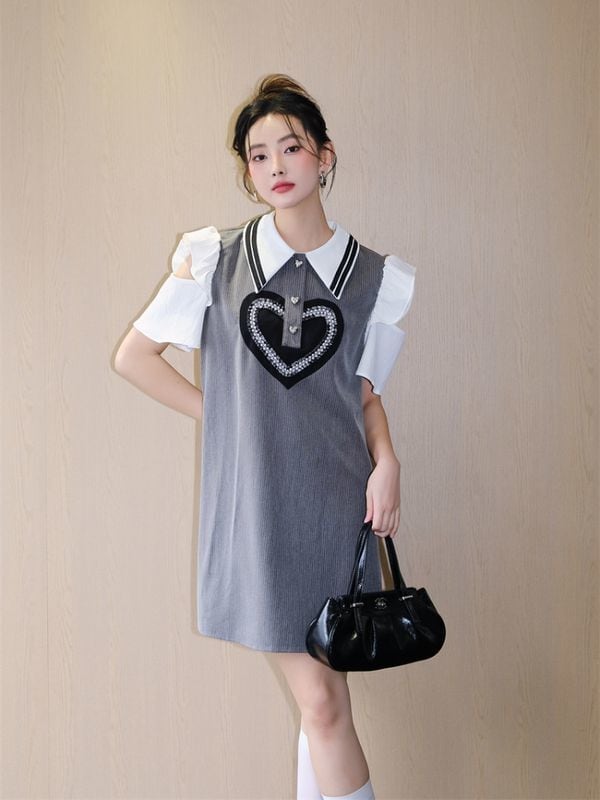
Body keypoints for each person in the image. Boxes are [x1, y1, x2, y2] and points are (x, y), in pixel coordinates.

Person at [114, 74, 415, 800]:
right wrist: (226, 420)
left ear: (324, 156)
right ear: (247, 172)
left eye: (291, 147)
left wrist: (387, 462)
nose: (276, 165)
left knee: (325, 701)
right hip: (258, 511)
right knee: (323, 704)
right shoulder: (214, 259)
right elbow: (134, 358)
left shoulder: (374, 278)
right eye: (258, 155)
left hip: (339, 504)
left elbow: (363, 396)